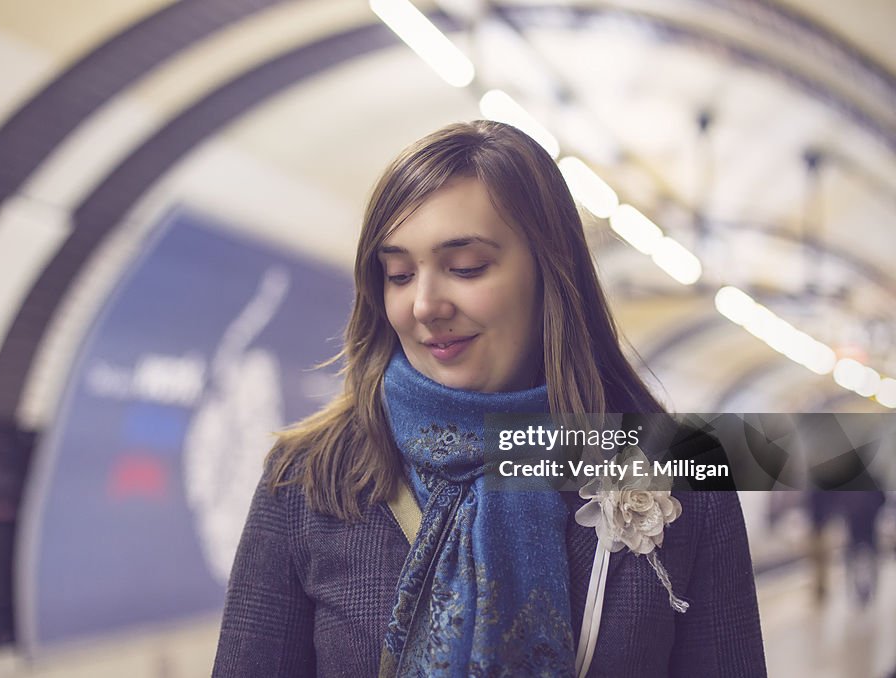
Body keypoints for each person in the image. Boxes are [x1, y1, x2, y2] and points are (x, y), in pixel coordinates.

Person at [211, 121, 766, 677]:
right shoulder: (311, 478)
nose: (425, 304)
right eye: (400, 274)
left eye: (466, 267)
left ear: (548, 271)